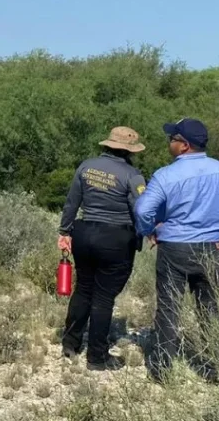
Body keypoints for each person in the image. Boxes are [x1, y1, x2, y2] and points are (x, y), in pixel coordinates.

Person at [135, 118, 219, 382]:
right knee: (210, 309)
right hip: (210, 249)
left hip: (175, 249)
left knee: (169, 308)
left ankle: (162, 371)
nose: (169, 143)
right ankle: (217, 368)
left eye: (172, 139)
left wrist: (150, 231)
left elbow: (143, 210)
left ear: (184, 145)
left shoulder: (166, 175)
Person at [57, 127, 148, 371]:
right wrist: (146, 235)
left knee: (84, 288)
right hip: (116, 238)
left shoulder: (86, 166)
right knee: (104, 296)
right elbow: (142, 209)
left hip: (84, 233)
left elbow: (72, 201)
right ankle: (97, 357)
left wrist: (64, 231)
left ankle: (70, 343)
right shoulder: (132, 175)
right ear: (129, 151)